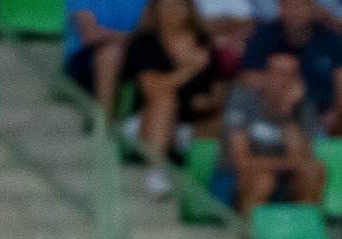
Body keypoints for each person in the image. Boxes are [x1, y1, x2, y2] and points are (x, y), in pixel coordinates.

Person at [245, 0, 342, 175]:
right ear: (281, 9)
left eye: (300, 6)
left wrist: (336, 115)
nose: (294, 11)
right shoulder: (262, 38)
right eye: (289, 6)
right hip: (280, 120)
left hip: (326, 119)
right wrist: (288, 107)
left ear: (313, 9)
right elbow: (250, 82)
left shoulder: (331, 39)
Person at [121, 0, 225, 198]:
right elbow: (151, 88)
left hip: (189, 123)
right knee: (165, 100)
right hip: (147, 120)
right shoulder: (145, 41)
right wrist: (190, 69)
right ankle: (156, 171)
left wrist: (209, 101)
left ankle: (209, 190)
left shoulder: (203, 41)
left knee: (225, 120)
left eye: (178, 5)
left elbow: (215, 88)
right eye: (166, 5)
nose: (172, 11)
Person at [215, 49, 324, 212]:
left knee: (313, 172)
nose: (285, 81)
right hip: (234, 178)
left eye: (291, 74)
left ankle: (299, 233)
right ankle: (250, 236)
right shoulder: (243, 100)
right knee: (263, 180)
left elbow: (304, 158)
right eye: (279, 73)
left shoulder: (303, 108)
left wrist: (288, 114)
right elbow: (240, 161)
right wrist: (289, 163)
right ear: (266, 76)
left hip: (282, 178)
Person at [64, 0, 149, 122]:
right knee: (111, 52)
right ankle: (104, 124)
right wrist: (127, 38)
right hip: (85, 58)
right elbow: (90, 35)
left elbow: (152, 28)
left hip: (133, 51)